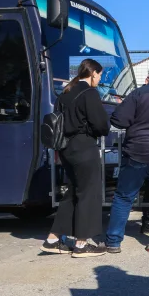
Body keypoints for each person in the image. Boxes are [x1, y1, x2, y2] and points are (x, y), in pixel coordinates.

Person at [104, 61, 149, 255]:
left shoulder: (138, 94)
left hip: (138, 151)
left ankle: (113, 242)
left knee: (124, 197)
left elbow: (118, 120)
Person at [40, 58, 110, 258]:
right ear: (93, 73)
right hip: (84, 147)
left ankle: (53, 239)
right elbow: (101, 125)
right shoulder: (90, 93)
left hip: (66, 149)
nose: (100, 79)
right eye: (100, 75)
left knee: (73, 193)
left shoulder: (65, 93)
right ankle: (81, 244)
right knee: (89, 193)